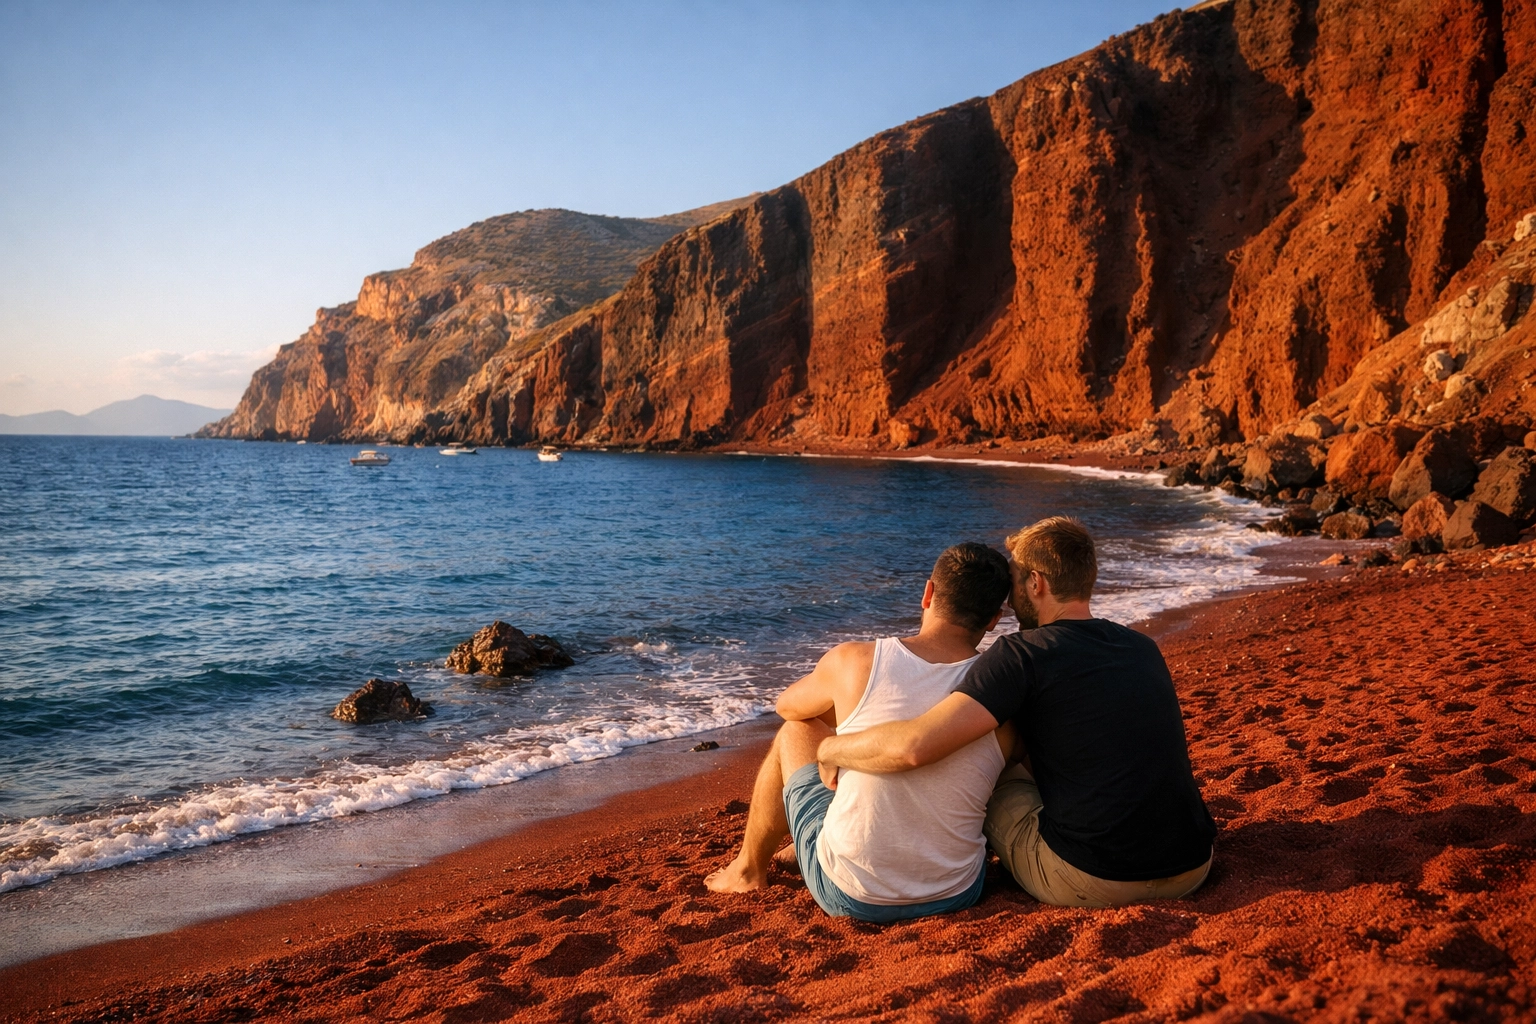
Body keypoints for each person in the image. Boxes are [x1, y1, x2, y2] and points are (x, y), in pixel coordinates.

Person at [815, 516, 1216, 908]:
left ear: (1036, 583)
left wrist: (830, 749)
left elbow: (914, 747)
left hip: (1093, 878)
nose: (1008, 602)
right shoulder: (1141, 647)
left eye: (1014, 585)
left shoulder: (1023, 654)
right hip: (1193, 865)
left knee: (996, 768)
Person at [705, 542, 1014, 922]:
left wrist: (850, 706)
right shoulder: (1001, 693)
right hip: (958, 891)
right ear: (994, 619)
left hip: (852, 894)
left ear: (928, 593)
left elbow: (787, 705)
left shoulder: (856, 660)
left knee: (796, 730)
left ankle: (747, 871)